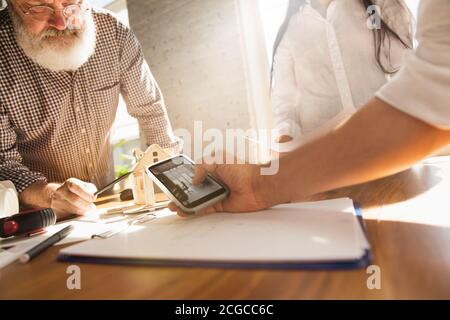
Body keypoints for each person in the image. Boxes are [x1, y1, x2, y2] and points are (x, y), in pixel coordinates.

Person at [169, 0, 450, 215]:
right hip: (319, 176)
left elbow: (421, 84)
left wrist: (264, 182)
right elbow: (286, 108)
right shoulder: (290, 30)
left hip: (390, 167)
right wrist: (274, 166)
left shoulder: (385, 8)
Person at [0, 0, 181, 219]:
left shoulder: (113, 32)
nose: (61, 22)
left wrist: (173, 176)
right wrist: (51, 195)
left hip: (106, 204)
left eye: (70, 4)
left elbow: (150, 110)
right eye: (40, 8)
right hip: (41, 217)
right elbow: (5, 165)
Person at [271, 0, 413, 146]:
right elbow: (284, 101)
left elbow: (406, 73)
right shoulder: (291, 29)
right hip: (320, 150)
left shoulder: (380, 6)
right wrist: (285, 140)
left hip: (382, 141)